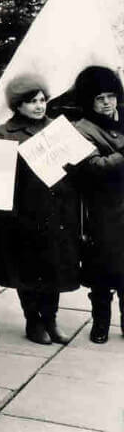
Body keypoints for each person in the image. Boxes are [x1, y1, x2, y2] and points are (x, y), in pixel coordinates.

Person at [0, 73, 81, 345]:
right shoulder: (5, 133)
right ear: (18, 105)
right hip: (24, 214)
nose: (39, 106)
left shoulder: (57, 129)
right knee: (29, 271)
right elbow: (1, 177)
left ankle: (51, 320)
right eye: (31, 101)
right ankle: (33, 322)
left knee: (54, 269)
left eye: (42, 100)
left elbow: (74, 167)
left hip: (56, 212)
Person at [70, 66, 124, 344]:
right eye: (99, 97)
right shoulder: (82, 129)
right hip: (101, 214)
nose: (106, 102)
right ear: (89, 100)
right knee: (102, 274)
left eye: (110, 96)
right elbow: (93, 167)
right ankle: (100, 323)